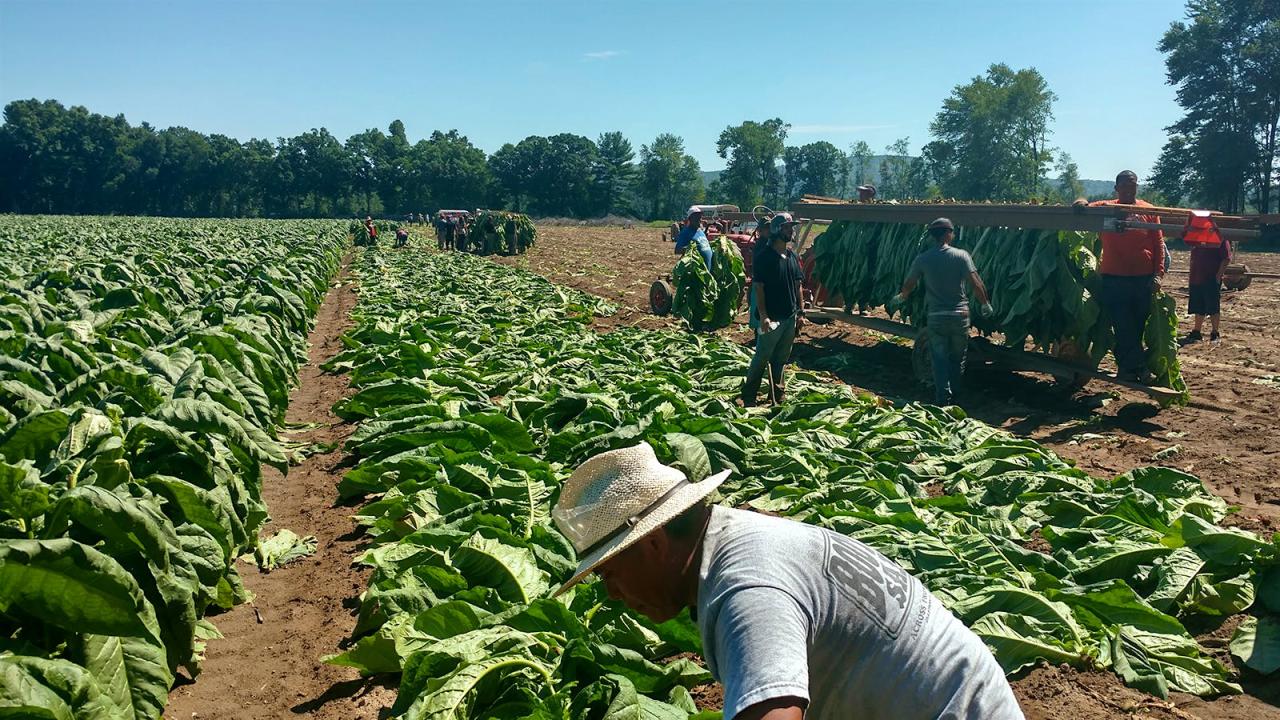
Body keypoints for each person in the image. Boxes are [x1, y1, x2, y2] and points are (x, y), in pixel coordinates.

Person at [551, 442, 1025, 720]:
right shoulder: (737, 537)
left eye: (611, 572)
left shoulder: (746, 591)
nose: (612, 592)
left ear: (654, 543)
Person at [1075, 171, 1166, 383]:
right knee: (1123, 324)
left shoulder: (1149, 210)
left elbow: (1158, 245)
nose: (1129, 189)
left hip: (1143, 279)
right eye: (1124, 185)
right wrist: (1080, 201)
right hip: (1115, 278)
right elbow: (1085, 205)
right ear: (1116, 188)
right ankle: (1141, 369)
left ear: (1137, 187)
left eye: (1132, 185)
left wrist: (1158, 274)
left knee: (1137, 326)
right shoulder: (1108, 208)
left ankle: (1126, 370)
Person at [893, 218, 992, 406]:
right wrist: (985, 303)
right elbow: (976, 282)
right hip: (960, 316)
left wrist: (902, 296)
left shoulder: (923, 258)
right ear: (948, 234)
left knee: (938, 358)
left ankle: (942, 399)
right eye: (952, 232)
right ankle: (955, 397)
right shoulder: (961, 256)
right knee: (957, 358)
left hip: (936, 317)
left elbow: (910, 283)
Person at [742, 213, 805, 407]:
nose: (791, 231)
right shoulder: (765, 258)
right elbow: (759, 288)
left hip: (789, 316)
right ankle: (749, 394)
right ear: (778, 230)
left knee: (781, 359)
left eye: (791, 228)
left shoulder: (792, 256)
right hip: (772, 318)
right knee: (762, 357)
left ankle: (777, 394)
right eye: (787, 228)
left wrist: (801, 313)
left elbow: (798, 286)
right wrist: (763, 317)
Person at [1183, 236, 1232, 343]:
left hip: (1211, 277)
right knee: (1198, 305)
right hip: (1197, 277)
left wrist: (1218, 276)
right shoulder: (1196, 236)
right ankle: (1197, 332)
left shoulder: (1220, 236)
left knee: (1213, 305)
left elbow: (1226, 258)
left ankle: (1215, 333)